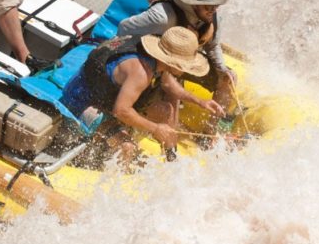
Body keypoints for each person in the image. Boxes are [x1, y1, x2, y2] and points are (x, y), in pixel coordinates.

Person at [61, 27, 224, 164]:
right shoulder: (140, 71)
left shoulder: (158, 62)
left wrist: (200, 101)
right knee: (127, 147)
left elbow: (168, 85)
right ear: (172, 62)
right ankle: (109, 172)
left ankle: (171, 162)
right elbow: (122, 111)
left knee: (166, 111)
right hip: (82, 104)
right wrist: (155, 128)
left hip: (110, 98)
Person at [117, 0, 237, 114]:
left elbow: (212, 46)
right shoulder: (163, 17)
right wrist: (144, 66)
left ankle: (210, 132)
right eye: (209, 6)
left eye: (216, 5)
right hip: (161, 62)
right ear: (194, 4)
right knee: (171, 94)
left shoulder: (212, 17)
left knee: (228, 78)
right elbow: (124, 28)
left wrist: (222, 69)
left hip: (186, 61)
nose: (214, 10)